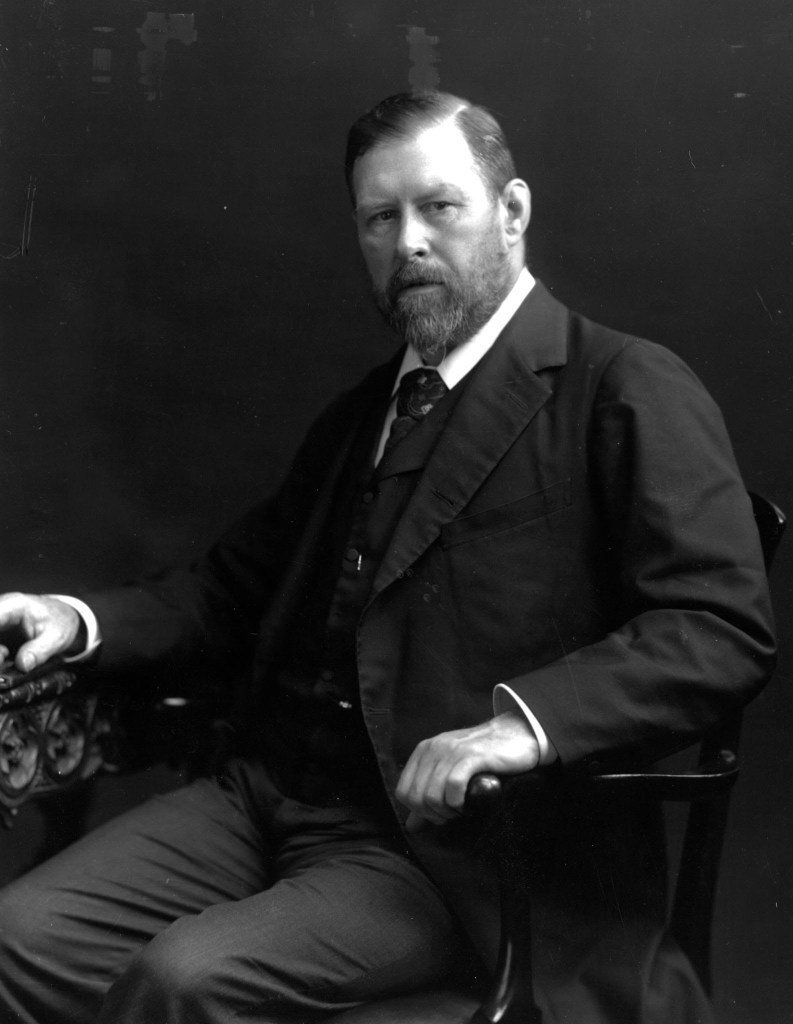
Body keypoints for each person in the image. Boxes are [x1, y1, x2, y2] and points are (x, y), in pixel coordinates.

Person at [0, 91, 776, 1024]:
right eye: (379, 217)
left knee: (187, 981)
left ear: (512, 212)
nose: (407, 241)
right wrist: (77, 619)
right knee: (15, 940)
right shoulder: (364, 413)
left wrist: (523, 723)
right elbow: (229, 590)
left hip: (450, 849)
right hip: (267, 798)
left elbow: (716, 626)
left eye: (438, 206)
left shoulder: (622, 385)